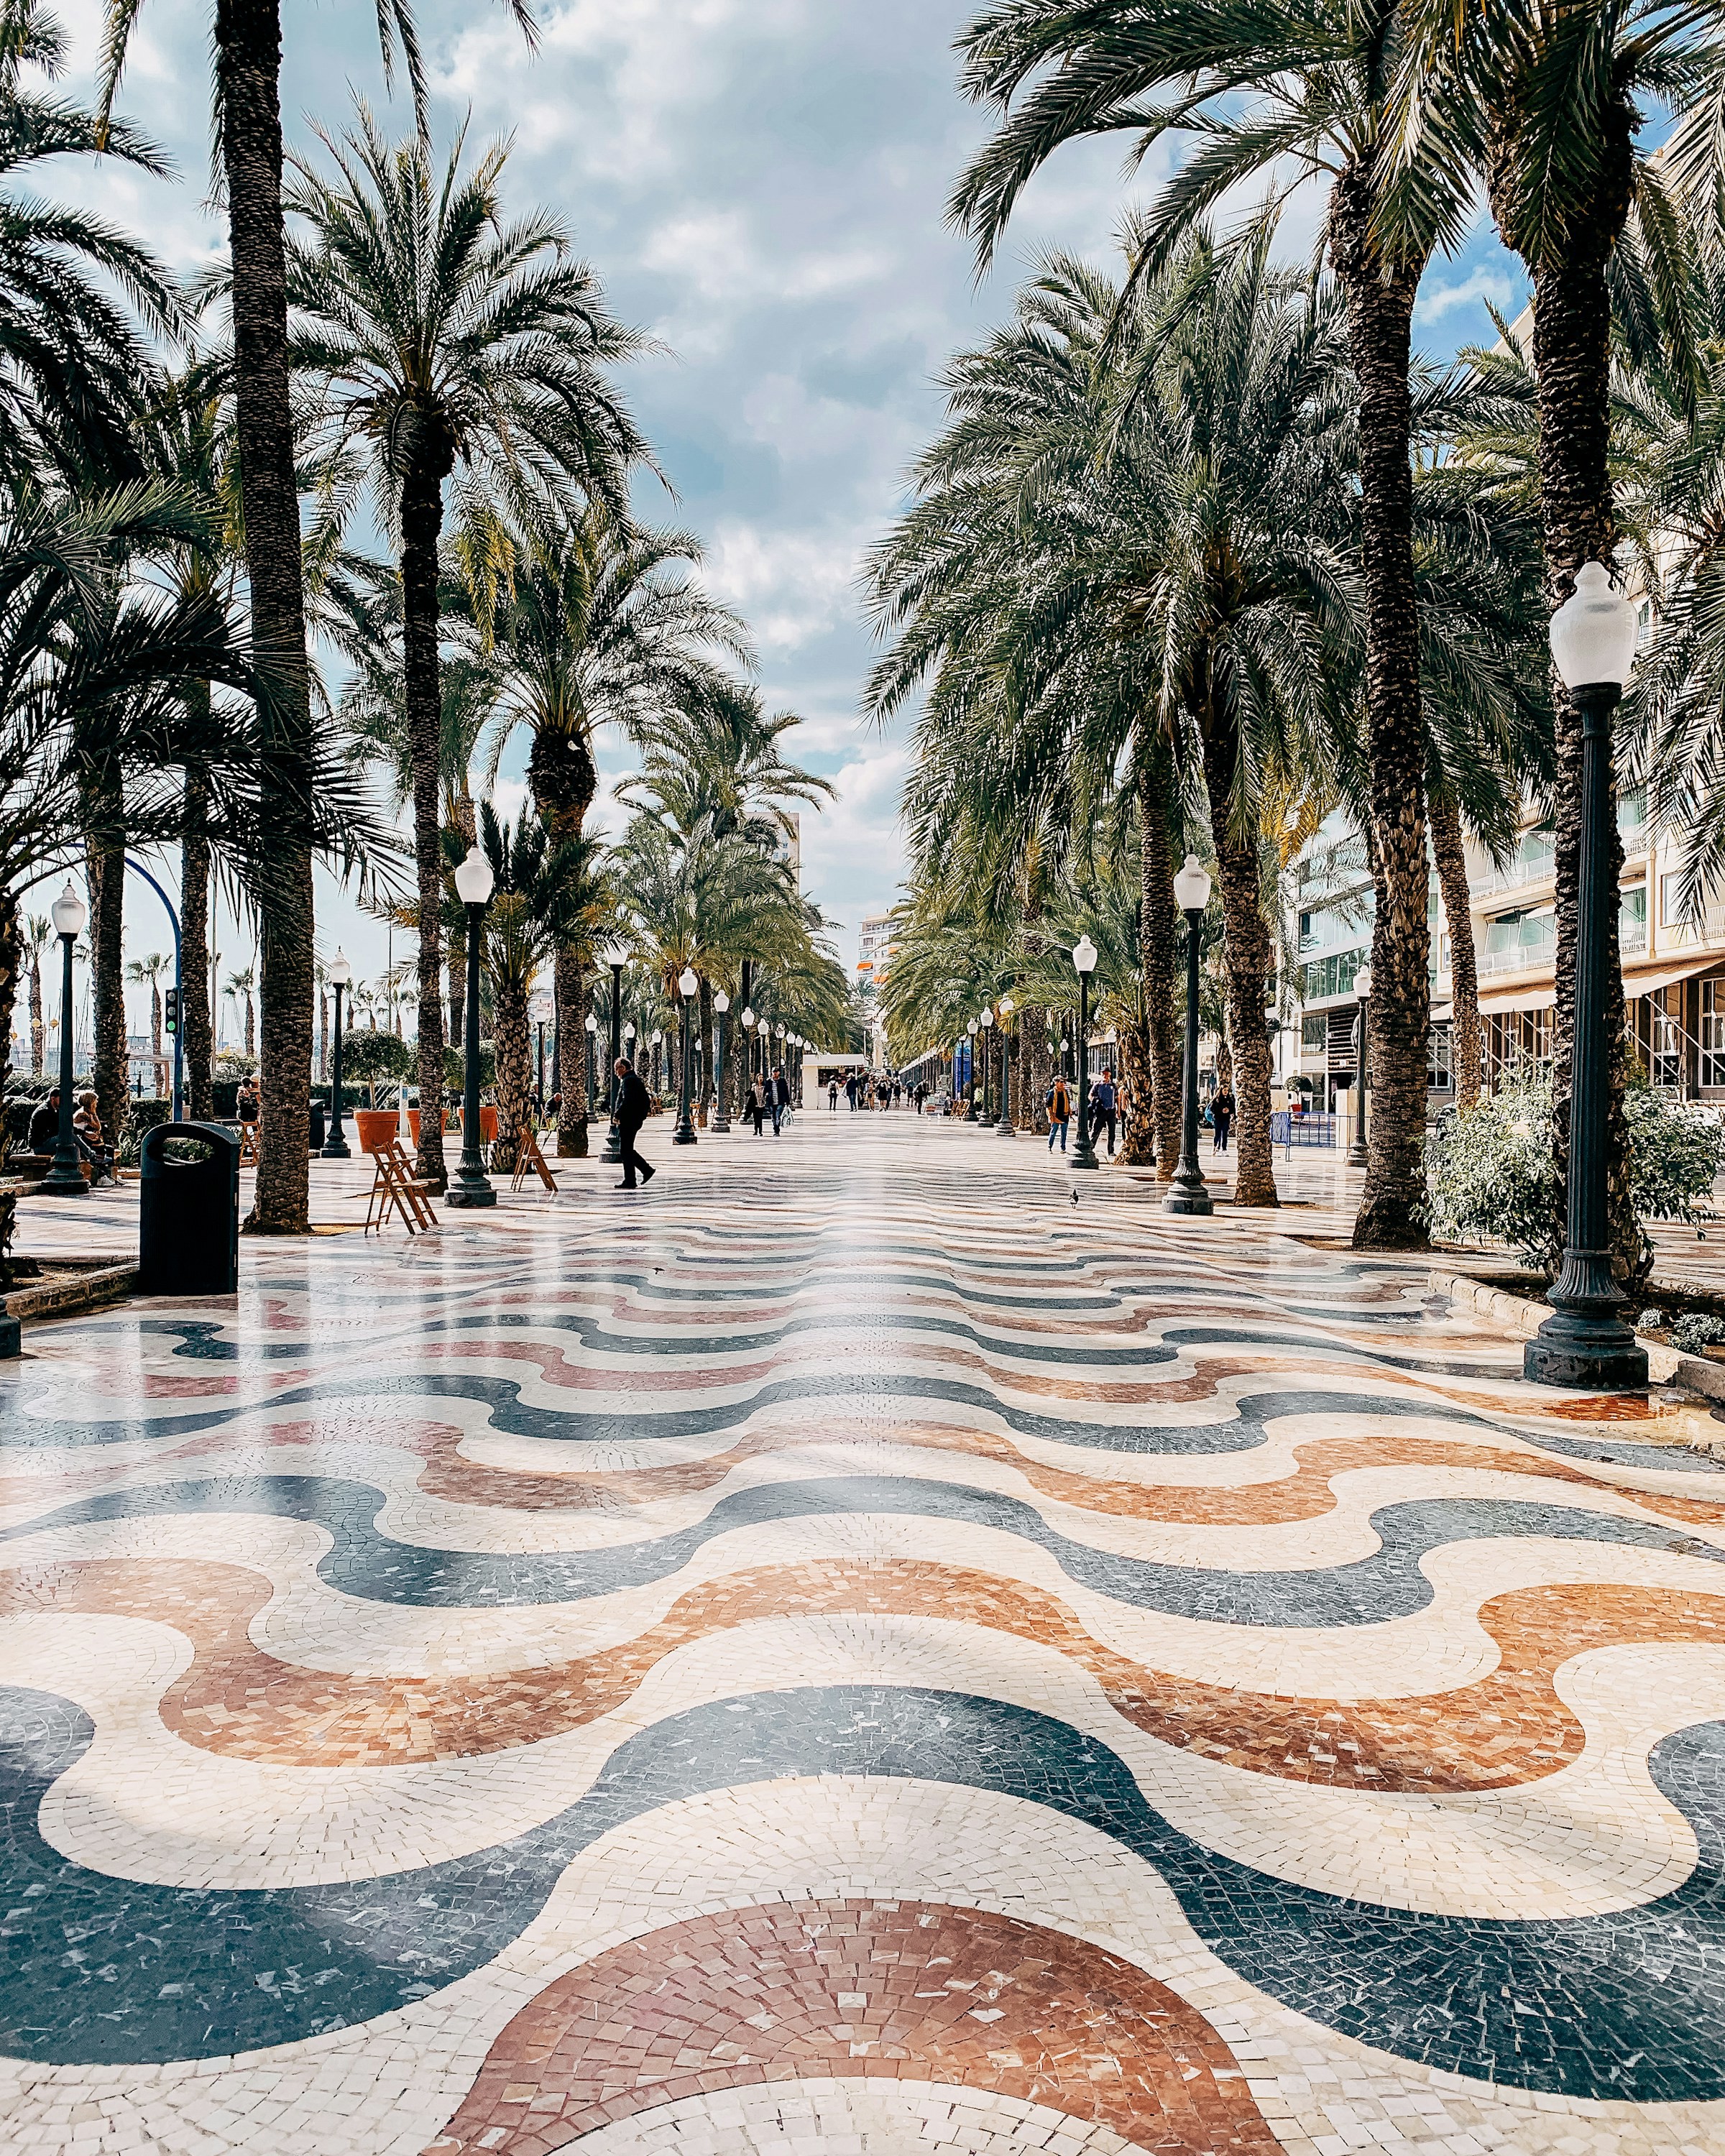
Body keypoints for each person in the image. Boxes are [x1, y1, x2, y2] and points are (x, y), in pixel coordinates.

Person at [612, 1055, 655, 1189]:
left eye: (617, 1069)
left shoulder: (629, 1081)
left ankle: (638, 1175)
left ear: (623, 1068)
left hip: (629, 1120)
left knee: (625, 1150)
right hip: (633, 1119)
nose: (615, 1072)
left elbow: (627, 1101)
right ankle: (636, 1176)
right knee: (626, 1150)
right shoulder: (633, 1079)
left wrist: (618, 1114)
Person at [1090, 1069, 1118, 1158]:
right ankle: (1091, 1148)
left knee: (1112, 1132)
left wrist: (1118, 1110)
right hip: (1101, 1111)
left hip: (1111, 1110)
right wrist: (1096, 1102)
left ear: (1110, 1074)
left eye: (1107, 1074)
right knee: (1096, 1130)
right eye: (1103, 1074)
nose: (1105, 1076)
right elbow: (1090, 1095)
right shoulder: (1098, 1085)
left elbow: (1117, 1098)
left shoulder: (1113, 1086)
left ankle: (1111, 1150)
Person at [26, 1089, 59, 1156]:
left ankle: (79, 1164)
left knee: (74, 1148)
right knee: (70, 1137)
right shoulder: (45, 1111)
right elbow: (55, 1129)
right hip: (39, 1146)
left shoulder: (53, 1110)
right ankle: (87, 1153)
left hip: (45, 1143)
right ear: (53, 1099)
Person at [1046, 1072, 1072, 1153]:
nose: (1062, 1084)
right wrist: (1050, 1116)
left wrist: (1070, 1111)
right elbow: (1048, 1105)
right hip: (1055, 1115)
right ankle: (1049, 1147)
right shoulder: (1051, 1093)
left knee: (1064, 1133)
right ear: (1056, 1083)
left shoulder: (1065, 1092)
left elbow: (1068, 1102)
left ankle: (1063, 1148)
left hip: (1065, 1115)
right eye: (1061, 1082)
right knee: (1053, 1132)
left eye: (1063, 1082)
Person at [1212, 1082, 1235, 1153]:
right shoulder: (1217, 1099)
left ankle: (1224, 1148)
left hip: (1226, 1119)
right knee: (1218, 1134)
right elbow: (1213, 1109)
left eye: (1227, 1090)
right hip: (1218, 1119)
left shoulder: (1229, 1099)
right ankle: (1215, 1145)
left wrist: (1228, 1110)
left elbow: (1233, 1109)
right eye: (1224, 1090)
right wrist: (1221, 1110)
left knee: (1225, 1133)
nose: (1226, 1092)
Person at [771, 1064, 791, 1133]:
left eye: (776, 1071)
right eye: (774, 1071)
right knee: (773, 1117)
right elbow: (766, 1091)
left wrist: (787, 1102)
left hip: (780, 1102)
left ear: (779, 1072)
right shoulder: (769, 1081)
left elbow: (786, 1091)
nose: (775, 1073)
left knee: (778, 1116)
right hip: (771, 1102)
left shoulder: (782, 1081)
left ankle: (777, 1131)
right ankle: (775, 1127)